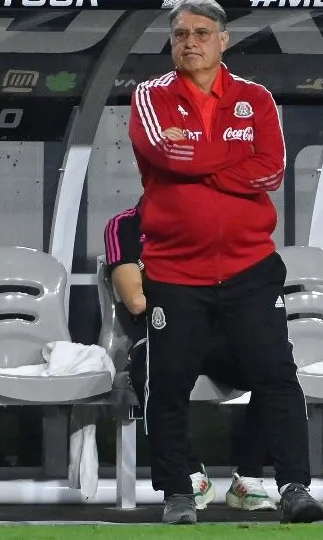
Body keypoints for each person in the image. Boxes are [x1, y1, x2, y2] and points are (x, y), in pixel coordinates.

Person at [127, 0, 323, 525]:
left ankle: (294, 488)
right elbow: (165, 154)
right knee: (166, 385)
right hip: (175, 274)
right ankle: (176, 494)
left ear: (223, 40)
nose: (188, 42)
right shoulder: (151, 96)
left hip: (248, 270)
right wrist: (232, 155)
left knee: (277, 377)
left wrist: (200, 156)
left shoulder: (255, 99)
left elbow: (271, 171)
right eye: (179, 35)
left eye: (200, 33)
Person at [104, 201, 276, 512]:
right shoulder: (125, 225)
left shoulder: (210, 219)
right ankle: (190, 472)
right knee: (149, 368)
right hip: (163, 333)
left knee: (273, 368)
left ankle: (248, 477)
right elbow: (136, 301)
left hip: (223, 335)